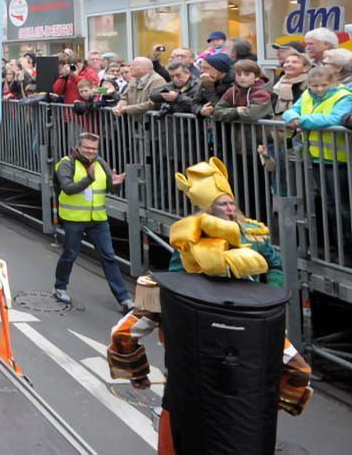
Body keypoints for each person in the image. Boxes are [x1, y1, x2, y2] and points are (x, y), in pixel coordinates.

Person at [108, 159, 311, 454]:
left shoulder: (252, 235)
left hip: (249, 328)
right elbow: (157, 304)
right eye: (221, 205)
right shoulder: (188, 245)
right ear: (207, 210)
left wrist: (269, 296)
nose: (228, 209)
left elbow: (275, 264)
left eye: (230, 203)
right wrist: (138, 372)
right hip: (199, 345)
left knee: (298, 370)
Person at [52, 132, 132, 312]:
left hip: (98, 218)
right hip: (74, 219)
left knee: (109, 257)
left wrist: (117, 183)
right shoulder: (65, 163)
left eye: (94, 149)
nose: (90, 152)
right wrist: (88, 178)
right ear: (78, 147)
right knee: (70, 254)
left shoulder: (100, 162)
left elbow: (109, 186)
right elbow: (68, 188)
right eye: (87, 148)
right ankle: (60, 287)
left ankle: (124, 299)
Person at [270, 50, 310, 115]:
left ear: (305, 68)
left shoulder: (309, 83)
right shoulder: (277, 82)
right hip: (278, 122)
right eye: (287, 62)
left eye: (294, 62)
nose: (288, 64)